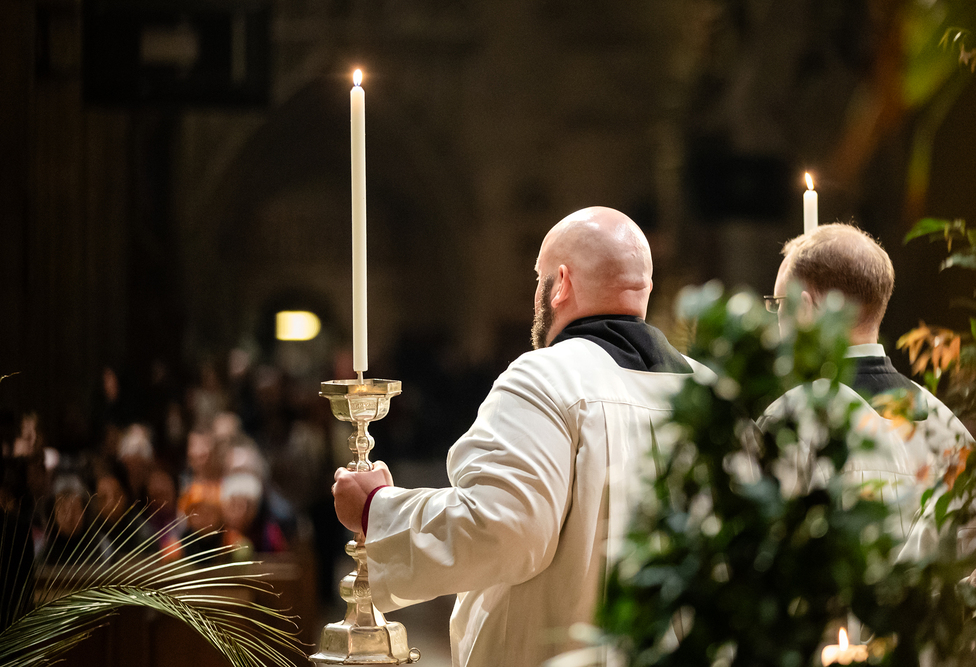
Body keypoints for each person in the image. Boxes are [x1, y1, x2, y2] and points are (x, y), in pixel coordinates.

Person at [332, 206, 713, 667]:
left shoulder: (545, 379)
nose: (536, 293)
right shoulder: (712, 392)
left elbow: (502, 528)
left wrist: (377, 508)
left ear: (561, 283)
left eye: (539, 278)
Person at [759, 223, 974, 558]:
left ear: (806, 307)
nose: (776, 319)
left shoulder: (794, 419)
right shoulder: (952, 431)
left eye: (779, 303)